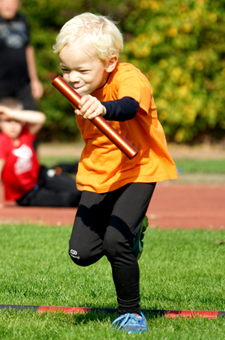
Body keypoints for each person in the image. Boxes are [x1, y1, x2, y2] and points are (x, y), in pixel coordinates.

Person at [53, 12, 178, 333]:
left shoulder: (130, 77)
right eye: (66, 69)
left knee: (115, 241)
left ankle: (131, 313)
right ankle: (133, 230)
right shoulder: (79, 85)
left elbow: (129, 106)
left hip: (139, 166)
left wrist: (103, 107)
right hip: (100, 169)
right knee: (80, 253)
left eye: (82, 70)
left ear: (110, 63)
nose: (73, 78)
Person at [0, 98, 81, 207]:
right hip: (27, 194)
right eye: (8, 121)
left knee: (79, 188)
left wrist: (11, 113)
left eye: (17, 121)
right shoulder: (2, 141)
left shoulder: (25, 134)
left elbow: (41, 118)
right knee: (69, 200)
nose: (13, 125)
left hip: (41, 176)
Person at [0, 0, 43, 110]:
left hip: (22, 84)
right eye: (5, 1)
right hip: (2, 84)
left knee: (32, 117)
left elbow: (28, 49)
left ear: (19, 4)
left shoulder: (22, 19)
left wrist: (34, 80)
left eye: (13, 2)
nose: (9, 6)